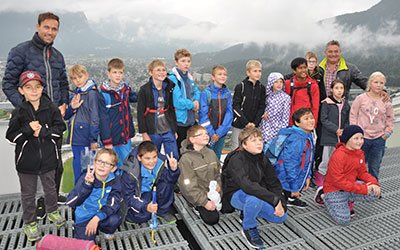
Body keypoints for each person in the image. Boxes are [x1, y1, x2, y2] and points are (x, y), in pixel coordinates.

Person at [2, 11, 69, 213]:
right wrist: (25, 109)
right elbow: (8, 84)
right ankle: (38, 207)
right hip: (31, 122)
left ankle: (51, 202)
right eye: (46, 27)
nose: (50, 32)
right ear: (38, 27)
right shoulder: (20, 51)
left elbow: (63, 83)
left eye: (54, 29)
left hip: (52, 118)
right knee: (34, 164)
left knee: (54, 163)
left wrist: (64, 102)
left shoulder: (57, 56)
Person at [6, 71, 66, 242]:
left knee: (50, 189)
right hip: (26, 162)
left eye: (37, 87)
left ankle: (52, 211)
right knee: (28, 194)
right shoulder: (19, 111)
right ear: (21, 90)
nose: (34, 91)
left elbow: (60, 129)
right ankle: (30, 222)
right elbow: (11, 136)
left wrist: (43, 132)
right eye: (28, 87)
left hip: (48, 159)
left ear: (42, 88)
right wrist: (28, 129)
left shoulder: (51, 108)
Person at [221, 127, 287, 249]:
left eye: (260, 140)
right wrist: (273, 200)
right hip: (235, 193)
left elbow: (273, 182)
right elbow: (247, 186)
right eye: (253, 140)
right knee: (254, 200)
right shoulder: (236, 159)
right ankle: (249, 227)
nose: (259, 143)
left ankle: (246, 212)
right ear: (244, 145)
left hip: (255, 192)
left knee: (281, 217)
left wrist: (280, 202)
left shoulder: (262, 157)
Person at [322, 125, 381, 225]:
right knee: (344, 220)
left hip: (350, 186)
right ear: (348, 139)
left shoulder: (359, 153)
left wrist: (374, 183)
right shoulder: (339, 155)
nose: (360, 141)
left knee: (374, 193)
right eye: (356, 138)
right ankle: (325, 198)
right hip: (335, 190)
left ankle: (348, 198)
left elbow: (362, 173)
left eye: (362, 138)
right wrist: (363, 189)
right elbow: (338, 181)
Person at [66, 149, 122, 240]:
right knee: (85, 244)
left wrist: (97, 218)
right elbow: (70, 202)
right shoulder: (85, 178)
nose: (102, 166)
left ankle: (104, 229)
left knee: (115, 219)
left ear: (113, 168)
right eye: (99, 161)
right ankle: (79, 228)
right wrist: (87, 185)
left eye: (107, 163)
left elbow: (114, 203)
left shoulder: (115, 181)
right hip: (85, 216)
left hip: (102, 214)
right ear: (94, 162)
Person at [120, 141, 180, 224]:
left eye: (154, 157)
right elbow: (128, 196)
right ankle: (131, 216)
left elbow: (170, 180)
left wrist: (173, 170)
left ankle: (162, 211)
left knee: (167, 184)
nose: (152, 161)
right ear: (139, 158)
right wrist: (145, 206)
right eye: (147, 158)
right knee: (143, 216)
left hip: (152, 190)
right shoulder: (130, 172)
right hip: (139, 195)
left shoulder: (160, 162)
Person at [349, 72, 395, 179]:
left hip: (379, 139)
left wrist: (387, 133)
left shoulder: (386, 101)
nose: (378, 85)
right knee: (358, 166)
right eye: (376, 82)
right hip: (361, 139)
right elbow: (353, 115)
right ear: (370, 83)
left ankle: (374, 191)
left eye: (381, 83)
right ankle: (357, 189)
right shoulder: (361, 98)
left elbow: (390, 119)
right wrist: (355, 132)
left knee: (374, 167)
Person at [314, 79, 350, 205]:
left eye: (341, 88)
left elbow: (347, 119)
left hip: (341, 139)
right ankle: (320, 185)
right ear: (331, 90)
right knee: (326, 161)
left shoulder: (345, 104)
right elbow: (323, 119)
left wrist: (344, 131)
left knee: (338, 162)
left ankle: (335, 185)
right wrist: (336, 130)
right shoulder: (326, 103)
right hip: (329, 137)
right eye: (337, 88)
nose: (339, 91)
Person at [178, 125, 222, 225]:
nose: (206, 136)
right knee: (212, 219)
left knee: (229, 207)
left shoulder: (211, 153)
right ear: (192, 139)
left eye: (206, 134)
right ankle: (196, 206)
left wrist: (219, 186)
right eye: (201, 134)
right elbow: (188, 187)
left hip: (213, 192)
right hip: (198, 195)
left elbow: (218, 173)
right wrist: (204, 202)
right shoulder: (186, 159)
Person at [64, 65, 100, 184]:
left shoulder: (91, 93)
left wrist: (93, 139)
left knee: (86, 168)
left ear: (86, 75)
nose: (77, 80)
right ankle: (78, 194)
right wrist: (73, 107)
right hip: (76, 136)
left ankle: (82, 195)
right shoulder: (76, 93)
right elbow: (66, 115)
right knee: (78, 166)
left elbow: (95, 117)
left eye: (80, 77)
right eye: (74, 78)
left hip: (85, 136)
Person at [99, 58, 137, 167]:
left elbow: (135, 97)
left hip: (125, 138)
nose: (118, 75)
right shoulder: (103, 94)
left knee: (127, 166)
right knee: (110, 166)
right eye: (114, 72)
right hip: (111, 139)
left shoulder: (125, 89)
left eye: (120, 72)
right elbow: (103, 119)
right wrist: (106, 141)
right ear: (108, 73)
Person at [137, 59, 179, 159]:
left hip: (167, 128)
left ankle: (173, 173)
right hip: (153, 129)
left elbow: (171, 109)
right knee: (154, 157)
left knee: (174, 157)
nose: (161, 73)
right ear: (151, 72)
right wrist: (144, 133)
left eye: (163, 70)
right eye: (158, 70)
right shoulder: (145, 90)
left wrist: (174, 129)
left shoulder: (169, 87)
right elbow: (140, 113)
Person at [273, 108, 315, 208]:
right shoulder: (297, 139)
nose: (311, 121)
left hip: (295, 173)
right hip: (286, 175)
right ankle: (288, 197)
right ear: (297, 123)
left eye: (311, 118)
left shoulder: (307, 135)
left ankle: (290, 198)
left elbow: (308, 160)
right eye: (306, 119)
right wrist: (294, 188)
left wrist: (307, 176)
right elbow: (290, 164)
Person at [167, 49, 201, 151]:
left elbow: (197, 92)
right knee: (180, 150)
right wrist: (193, 105)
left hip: (190, 120)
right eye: (183, 61)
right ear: (176, 62)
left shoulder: (189, 77)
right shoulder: (173, 78)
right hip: (179, 121)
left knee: (191, 150)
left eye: (188, 61)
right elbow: (177, 101)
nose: (186, 64)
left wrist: (197, 101)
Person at [199, 65, 233, 159]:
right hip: (208, 133)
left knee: (216, 157)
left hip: (221, 134)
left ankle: (216, 173)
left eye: (225, 74)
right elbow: (203, 115)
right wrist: (211, 133)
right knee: (206, 157)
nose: (223, 76)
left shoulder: (227, 94)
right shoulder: (206, 93)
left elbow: (229, 114)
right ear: (213, 77)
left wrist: (220, 132)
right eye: (220, 74)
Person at [231, 60, 266, 150]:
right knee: (236, 149)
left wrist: (255, 123)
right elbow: (235, 106)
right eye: (255, 71)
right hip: (239, 124)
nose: (258, 73)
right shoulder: (241, 86)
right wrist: (246, 122)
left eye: (259, 71)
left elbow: (262, 106)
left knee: (251, 149)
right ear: (248, 72)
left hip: (254, 125)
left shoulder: (262, 88)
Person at [285, 57, 320, 126]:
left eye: (305, 67)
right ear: (294, 71)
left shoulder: (313, 85)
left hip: (307, 123)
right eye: (300, 68)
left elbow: (315, 107)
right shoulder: (287, 84)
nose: (303, 70)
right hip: (291, 123)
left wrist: (313, 123)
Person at [259, 72, 291, 143]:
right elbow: (260, 108)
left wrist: (282, 133)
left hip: (277, 130)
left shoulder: (286, 98)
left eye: (281, 82)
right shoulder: (266, 96)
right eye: (276, 82)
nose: (279, 84)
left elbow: (285, 117)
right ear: (271, 83)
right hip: (264, 128)